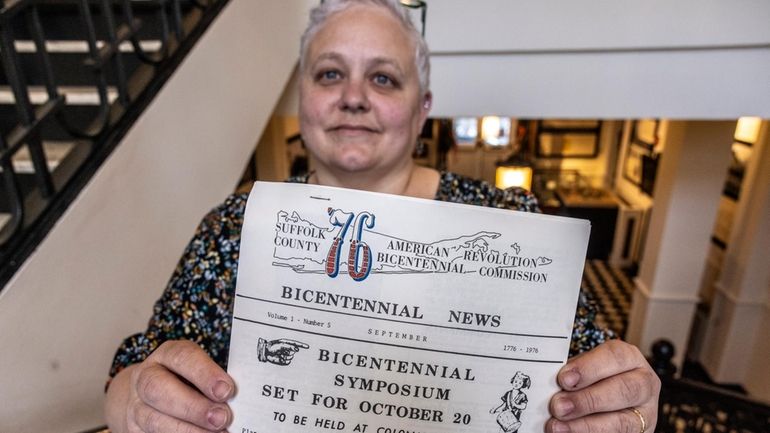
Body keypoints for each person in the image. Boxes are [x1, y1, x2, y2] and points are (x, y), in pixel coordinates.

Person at [104, 1, 660, 432]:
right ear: (301, 97)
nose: (353, 97)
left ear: (423, 109)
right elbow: (140, 370)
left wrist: (627, 406)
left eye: (384, 78)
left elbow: (594, 377)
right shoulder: (236, 224)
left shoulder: (513, 222)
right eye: (328, 74)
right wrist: (132, 400)